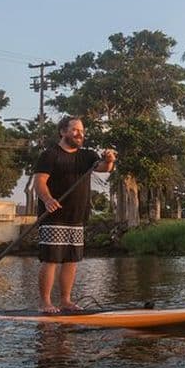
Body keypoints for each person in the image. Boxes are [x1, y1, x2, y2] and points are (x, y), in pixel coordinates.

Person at [33, 116, 116, 313]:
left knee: (71, 260)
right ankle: (45, 303)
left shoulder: (87, 156)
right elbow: (40, 182)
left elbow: (103, 168)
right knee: (51, 259)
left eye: (82, 131)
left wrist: (109, 160)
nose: (80, 134)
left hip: (77, 217)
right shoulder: (50, 155)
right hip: (53, 217)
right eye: (75, 130)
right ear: (63, 131)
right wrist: (48, 199)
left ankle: (65, 301)